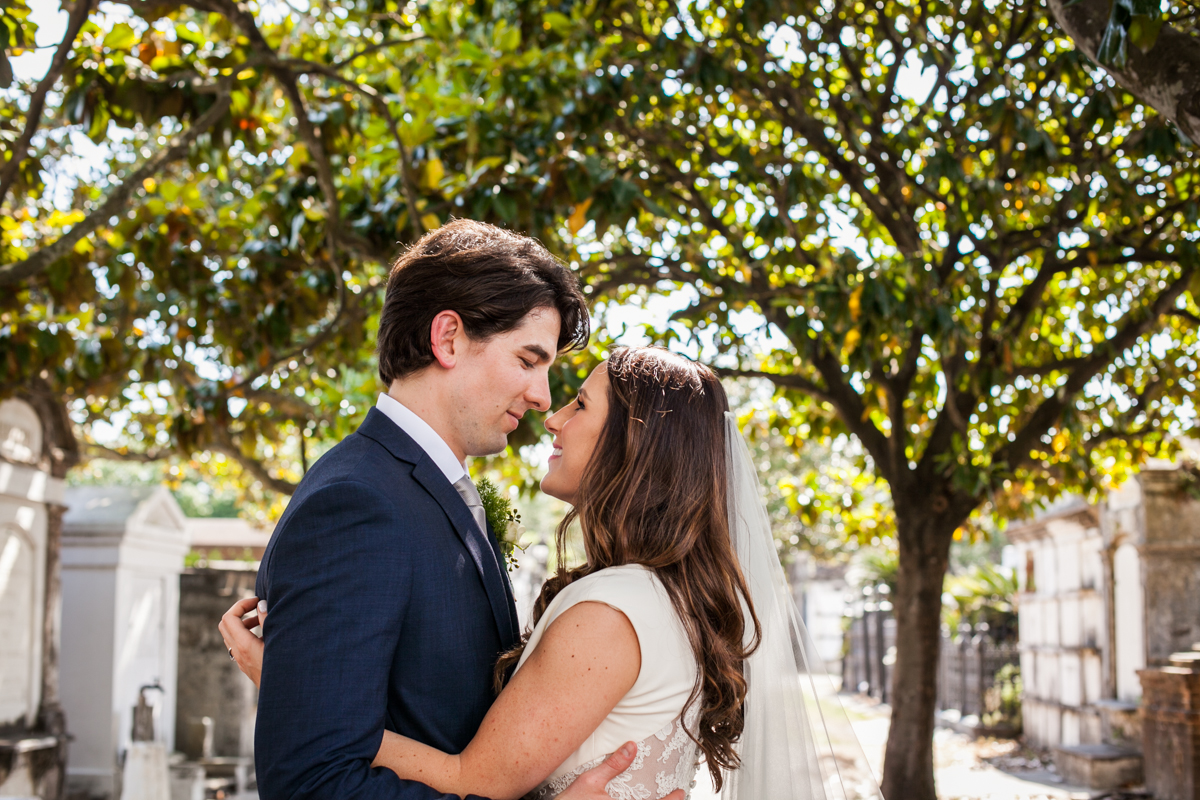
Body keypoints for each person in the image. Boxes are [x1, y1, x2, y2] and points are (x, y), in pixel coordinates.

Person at [226, 345, 885, 800]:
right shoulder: (658, 594)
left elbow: (473, 780)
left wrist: (288, 682)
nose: (553, 413)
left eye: (580, 404)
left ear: (634, 447)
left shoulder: (610, 611)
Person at [221, 220, 680, 800]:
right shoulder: (355, 504)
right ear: (448, 339)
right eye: (528, 360)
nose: (543, 397)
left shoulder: (438, 495)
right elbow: (313, 783)